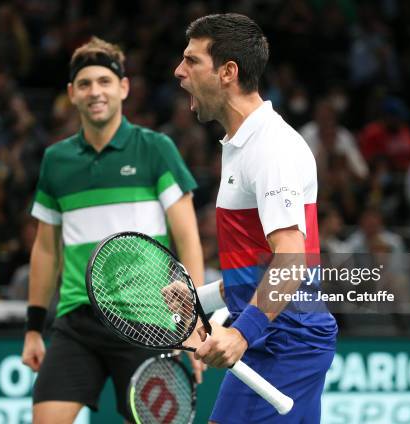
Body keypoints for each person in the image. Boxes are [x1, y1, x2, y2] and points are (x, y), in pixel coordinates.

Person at [21, 37, 205, 424]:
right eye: (85, 84)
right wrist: (34, 330)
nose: (95, 92)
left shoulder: (156, 148)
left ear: (123, 88)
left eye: (104, 81)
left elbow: (187, 238)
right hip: (76, 321)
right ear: (72, 94)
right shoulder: (56, 161)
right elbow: (46, 249)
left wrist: (195, 321)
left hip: (148, 321)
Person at [174, 14, 337, 424]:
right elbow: (258, 269)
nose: (179, 72)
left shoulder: (271, 149)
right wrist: (201, 298)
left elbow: (291, 260)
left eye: (192, 61)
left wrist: (242, 333)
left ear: (228, 72)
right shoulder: (242, 144)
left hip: (284, 341)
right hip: (281, 335)